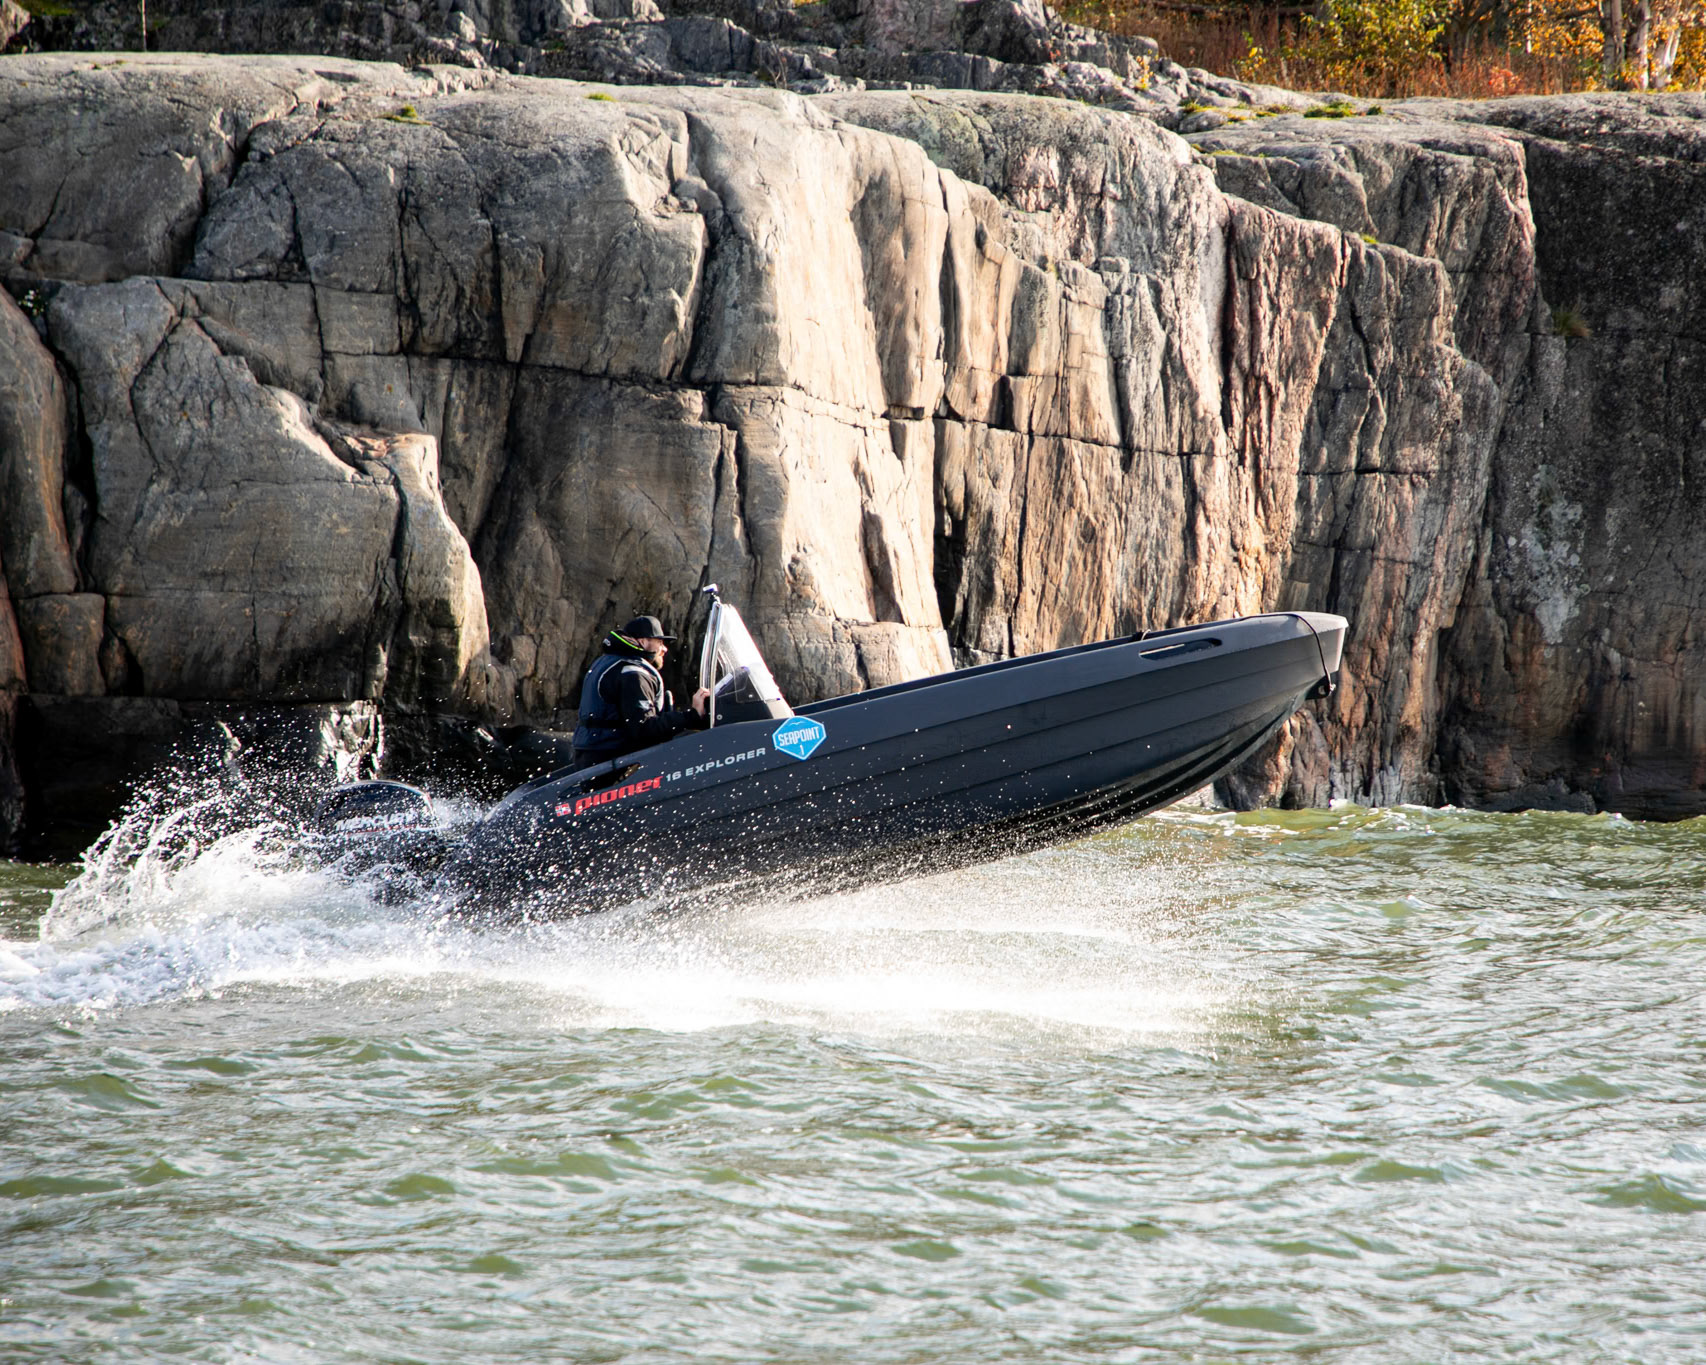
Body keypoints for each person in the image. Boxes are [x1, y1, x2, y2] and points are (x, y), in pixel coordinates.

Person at [571, 615, 710, 768]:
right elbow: (645, 729)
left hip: (591, 755)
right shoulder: (633, 674)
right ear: (643, 642)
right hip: (610, 763)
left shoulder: (607, 662)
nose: (664, 649)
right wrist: (694, 715)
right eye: (660, 642)